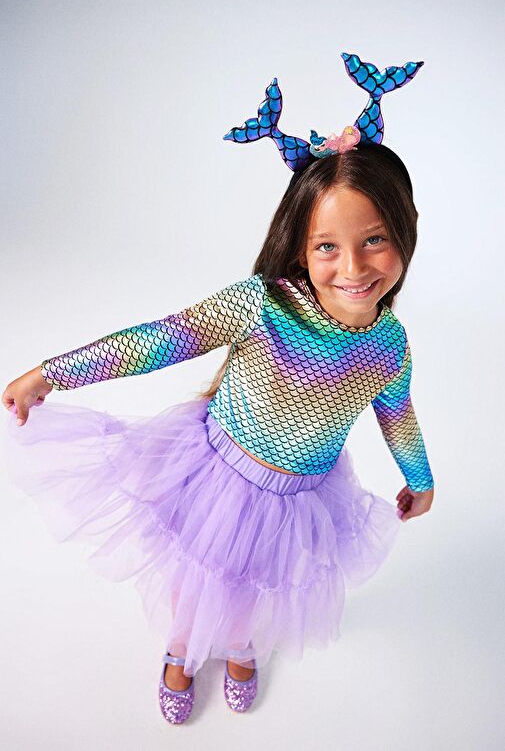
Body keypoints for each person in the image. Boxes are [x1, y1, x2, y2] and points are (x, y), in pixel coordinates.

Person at [2, 51, 435, 725]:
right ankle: (181, 650)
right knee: (199, 578)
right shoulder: (261, 304)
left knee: (260, 586)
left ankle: (239, 645)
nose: (352, 266)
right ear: (300, 247)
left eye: (374, 239)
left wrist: (420, 477)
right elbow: (158, 339)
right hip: (218, 479)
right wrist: (52, 372)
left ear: (404, 231)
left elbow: (396, 413)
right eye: (327, 246)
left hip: (300, 498)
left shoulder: (389, 346)